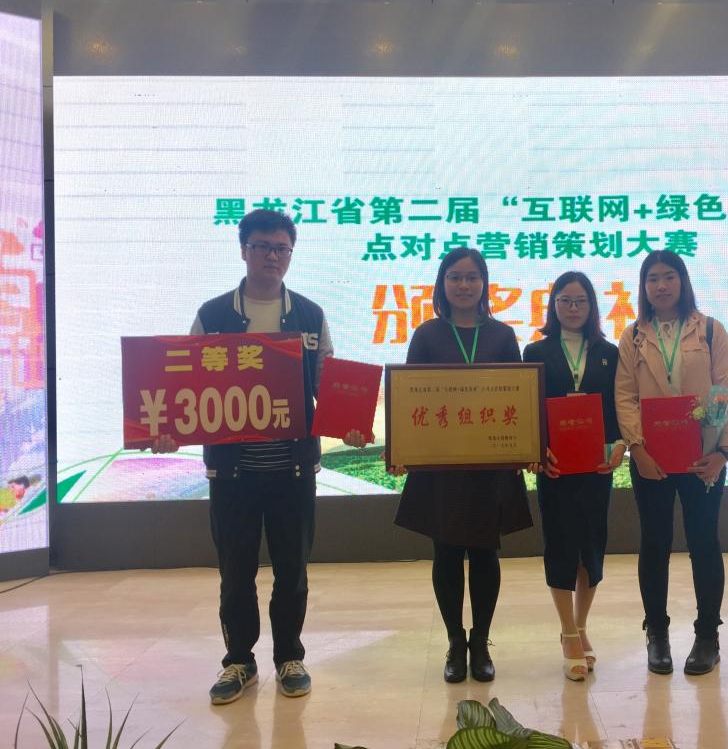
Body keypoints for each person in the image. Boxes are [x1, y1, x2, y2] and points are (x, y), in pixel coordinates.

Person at [152, 209, 367, 705]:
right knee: (236, 572)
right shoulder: (213, 315)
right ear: (243, 250)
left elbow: (328, 384)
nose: (273, 256)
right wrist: (167, 432)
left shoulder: (310, 315)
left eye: (282, 248)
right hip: (233, 471)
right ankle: (239, 661)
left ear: (291, 254)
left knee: (293, 569)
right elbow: (186, 387)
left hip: (293, 469)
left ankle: (290, 656)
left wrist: (350, 424)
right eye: (263, 246)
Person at [389, 247, 532, 683]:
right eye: (455, 277)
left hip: (489, 466)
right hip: (442, 467)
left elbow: (519, 396)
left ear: (484, 284)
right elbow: (409, 398)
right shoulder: (426, 334)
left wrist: (524, 444)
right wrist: (402, 449)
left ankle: (481, 642)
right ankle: (455, 641)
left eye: (472, 277)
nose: (464, 285)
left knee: (486, 553)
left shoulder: (502, 336)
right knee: (447, 554)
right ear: (442, 284)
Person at [614, 249, 728, 676]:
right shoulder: (633, 336)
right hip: (652, 460)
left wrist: (722, 452)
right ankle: (657, 635)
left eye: (669, 276)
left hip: (703, 459)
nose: (661, 285)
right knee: (654, 544)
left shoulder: (710, 330)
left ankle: (707, 636)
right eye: (652, 278)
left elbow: (726, 389)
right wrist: (637, 449)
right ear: (644, 287)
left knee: (704, 543)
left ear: (683, 282)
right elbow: (625, 397)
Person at [523, 271, 625, 681]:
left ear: (592, 306)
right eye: (564, 300)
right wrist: (537, 450)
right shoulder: (535, 351)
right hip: (556, 467)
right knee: (561, 545)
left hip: (597, 467)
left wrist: (620, 445)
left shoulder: (609, 352)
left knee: (591, 547)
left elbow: (618, 407)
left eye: (580, 301)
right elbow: (528, 407)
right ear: (553, 305)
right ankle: (567, 631)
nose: (572, 308)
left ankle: (582, 626)